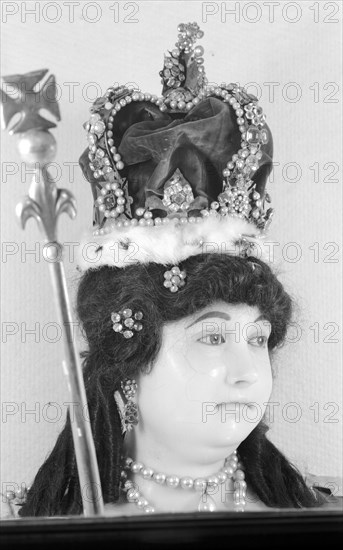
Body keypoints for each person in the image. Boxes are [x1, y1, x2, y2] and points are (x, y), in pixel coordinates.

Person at [10, 22, 330, 517]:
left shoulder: (314, 514)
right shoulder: (38, 526)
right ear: (129, 358)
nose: (250, 376)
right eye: (212, 337)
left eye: (259, 338)